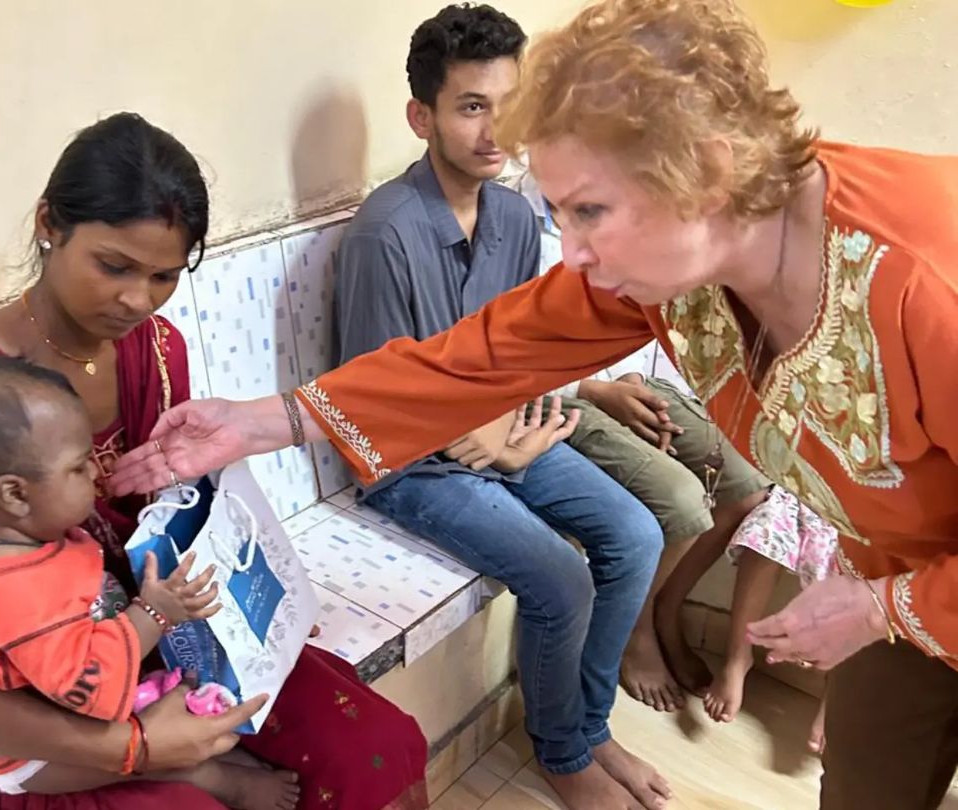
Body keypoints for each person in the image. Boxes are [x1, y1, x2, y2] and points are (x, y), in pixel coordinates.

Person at [113, 2, 958, 808]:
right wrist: (265, 420)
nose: (574, 254)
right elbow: (484, 353)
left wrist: (884, 608)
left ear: (709, 169)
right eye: (560, 212)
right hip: (902, 584)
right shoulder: (684, 255)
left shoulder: (928, 282)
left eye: (589, 212)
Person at [0, 112, 429, 810]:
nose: (137, 300)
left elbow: (179, 520)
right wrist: (133, 748)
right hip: (22, 692)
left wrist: (263, 599)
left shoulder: (156, 351)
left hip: (156, 634)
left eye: (165, 276)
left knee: (374, 751)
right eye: (113, 266)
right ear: (50, 223)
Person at [333, 7, 667, 809]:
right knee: (561, 577)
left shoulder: (517, 214)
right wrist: (490, 439)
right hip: (410, 465)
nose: (494, 130)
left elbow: (522, 352)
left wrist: (517, 430)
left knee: (636, 533)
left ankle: (586, 726)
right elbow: (371, 408)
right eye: (471, 106)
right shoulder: (385, 233)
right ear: (424, 116)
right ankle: (562, 752)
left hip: (500, 438)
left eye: (507, 106)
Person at [0, 353, 300, 809]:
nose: (97, 473)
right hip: (37, 759)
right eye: (80, 467)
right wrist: (154, 614)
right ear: (15, 493)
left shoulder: (4, 541)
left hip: (66, 693)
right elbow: (90, 690)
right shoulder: (19, 597)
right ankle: (206, 776)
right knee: (188, 750)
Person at [547, 370, 769, 713]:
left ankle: (666, 607)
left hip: (629, 377)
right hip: (562, 386)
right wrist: (591, 388)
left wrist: (634, 379)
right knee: (685, 502)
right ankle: (637, 627)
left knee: (746, 488)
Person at [697, 485, 837, 754]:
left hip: (879, 514)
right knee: (771, 523)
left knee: (871, 572)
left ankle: (837, 695)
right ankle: (737, 658)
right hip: (823, 487)